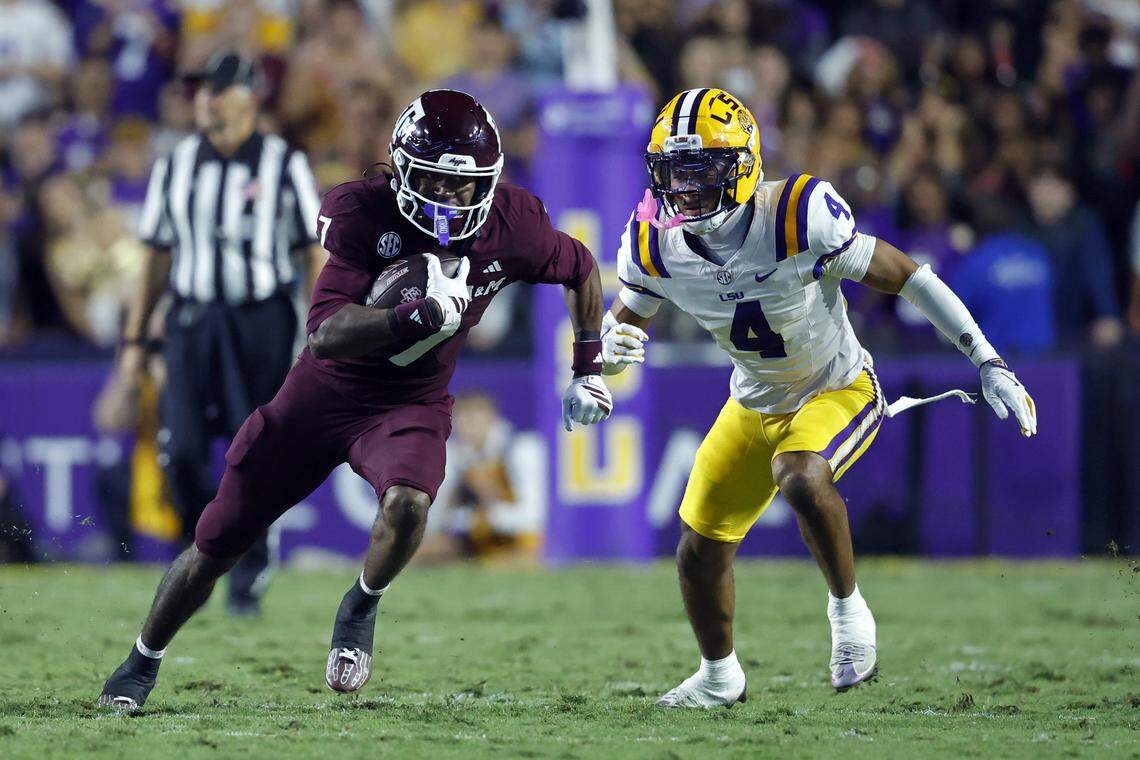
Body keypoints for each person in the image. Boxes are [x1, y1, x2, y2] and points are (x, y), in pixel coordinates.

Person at [97, 89, 613, 709]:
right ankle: (141, 660)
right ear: (401, 171)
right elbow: (326, 333)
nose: (450, 199)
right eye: (434, 182)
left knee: (409, 506)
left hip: (410, 404)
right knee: (215, 543)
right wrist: (411, 316)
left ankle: (361, 606)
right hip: (320, 398)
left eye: (464, 185)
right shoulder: (361, 212)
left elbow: (581, 267)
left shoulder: (513, 225)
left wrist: (588, 369)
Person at [600, 88, 1037, 707]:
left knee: (801, 475)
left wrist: (987, 361)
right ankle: (720, 677)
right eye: (675, 170)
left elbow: (907, 276)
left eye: (701, 168)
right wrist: (604, 359)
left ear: (743, 165)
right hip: (752, 402)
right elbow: (627, 319)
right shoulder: (653, 241)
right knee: (698, 552)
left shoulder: (797, 212)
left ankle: (848, 613)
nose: (686, 186)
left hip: (837, 386)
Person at [93, 51, 325, 616]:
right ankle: (206, 549)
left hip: (262, 319)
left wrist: (318, 322)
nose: (204, 99)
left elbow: (312, 250)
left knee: (257, 450)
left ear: (250, 97)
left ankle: (252, 556)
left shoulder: (282, 162)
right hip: (193, 318)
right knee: (183, 452)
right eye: (199, 89)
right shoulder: (175, 164)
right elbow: (154, 255)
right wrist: (133, 344)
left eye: (217, 89)